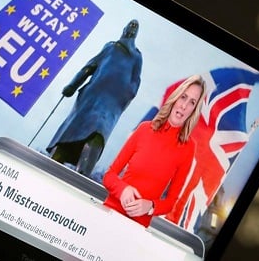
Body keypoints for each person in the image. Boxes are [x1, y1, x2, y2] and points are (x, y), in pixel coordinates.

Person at [102, 74, 207, 227]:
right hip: (109, 213)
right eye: (183, 97)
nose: (184, 106)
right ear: (176, 98)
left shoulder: (188, 148)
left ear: (194, 110)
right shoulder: (145, 129)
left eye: (192, 102)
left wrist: (150, 206)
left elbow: (171, 202)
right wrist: (123, 190)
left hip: (137, 228)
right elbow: (109, 176)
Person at [47, 19, 143, 176]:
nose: (132, 28)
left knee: (92, 139)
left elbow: (134, 84)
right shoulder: (112, 47)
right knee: (73, 137)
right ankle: (54, 168)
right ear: (125, 29)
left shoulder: (134, 56)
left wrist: (121, 99)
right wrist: (72, 86)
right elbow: (90, 67)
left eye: (134, 27)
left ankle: (77, 176)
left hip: (108, 106)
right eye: (130, 26)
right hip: (93, 101)